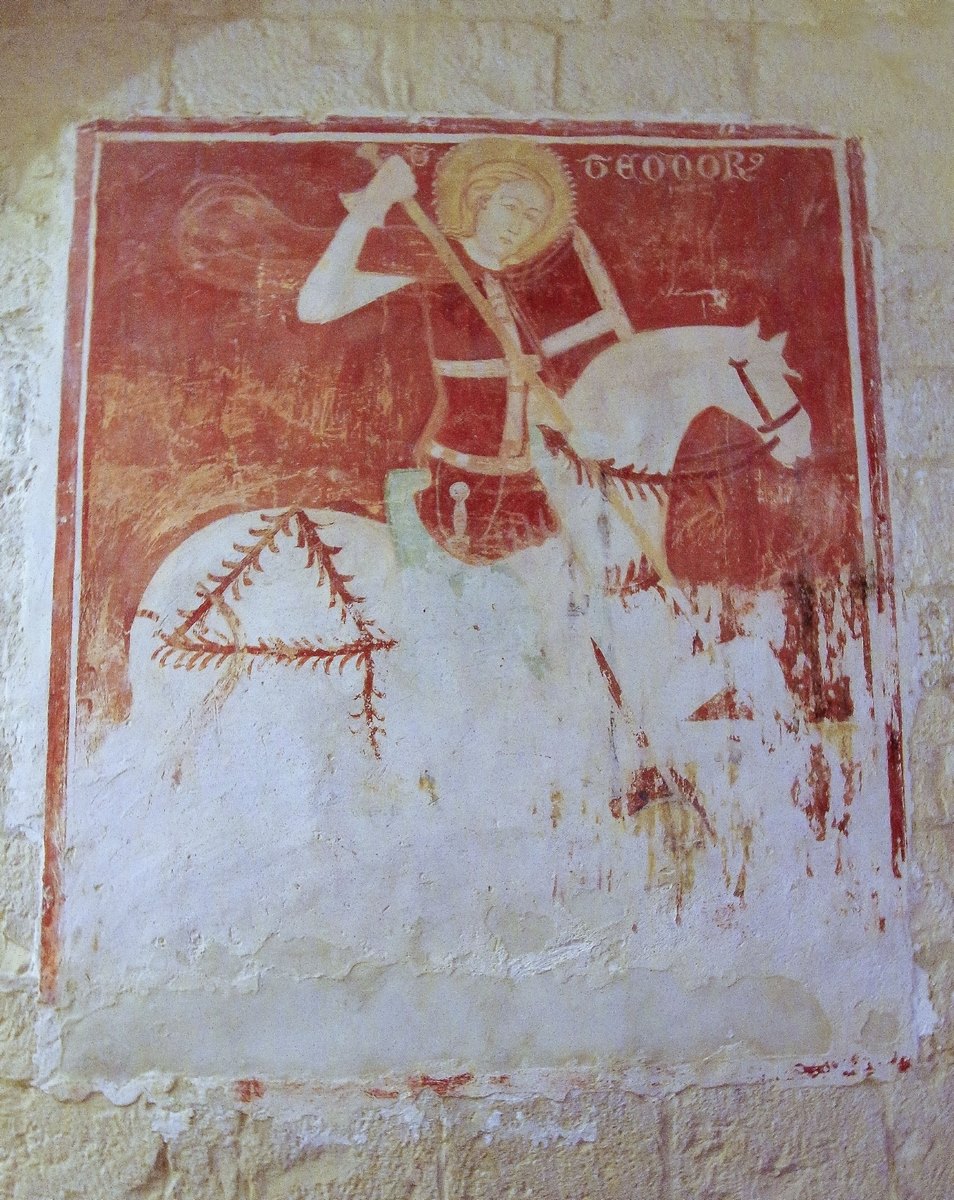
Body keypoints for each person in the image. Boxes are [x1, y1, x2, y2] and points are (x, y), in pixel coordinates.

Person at [297, 137, 634, 564]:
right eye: (510, 206)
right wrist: (371, 206)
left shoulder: (527, 287)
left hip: (534, 490)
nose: (519, 225)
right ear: (480, 202)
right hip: (455, 486)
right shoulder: (438, 260)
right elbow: (316, 307)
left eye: (533, 217)